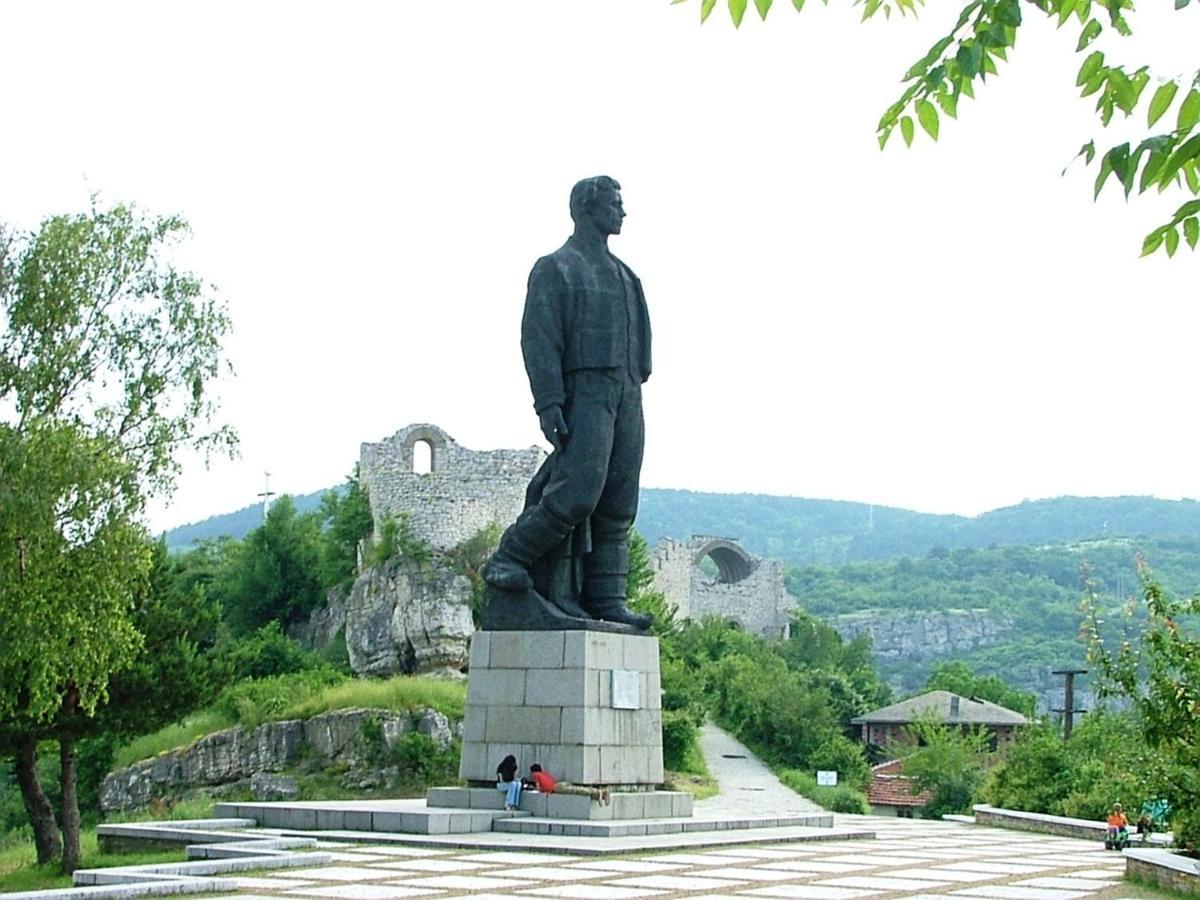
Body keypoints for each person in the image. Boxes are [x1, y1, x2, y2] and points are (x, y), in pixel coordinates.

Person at [483, 176, 652, 630]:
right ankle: (510, 557)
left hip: (627, 389)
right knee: (577, 491)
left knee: (619, 500)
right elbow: (538, 339)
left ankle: (607, 597)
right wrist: (549, 402)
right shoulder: (556, 268)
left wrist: (632, 383)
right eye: (614, 204)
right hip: (586, 391)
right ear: (586, 207)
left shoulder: (626, 275)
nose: (623, 212)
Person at [528, 763, 609, 805]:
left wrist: (531, 788)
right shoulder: (544, 773)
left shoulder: (536, 775)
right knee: (577, 788)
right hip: (559, 784)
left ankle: (597, 791)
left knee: (577, 790)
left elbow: (538, 788)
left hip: (556, 788)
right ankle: (599, 794)